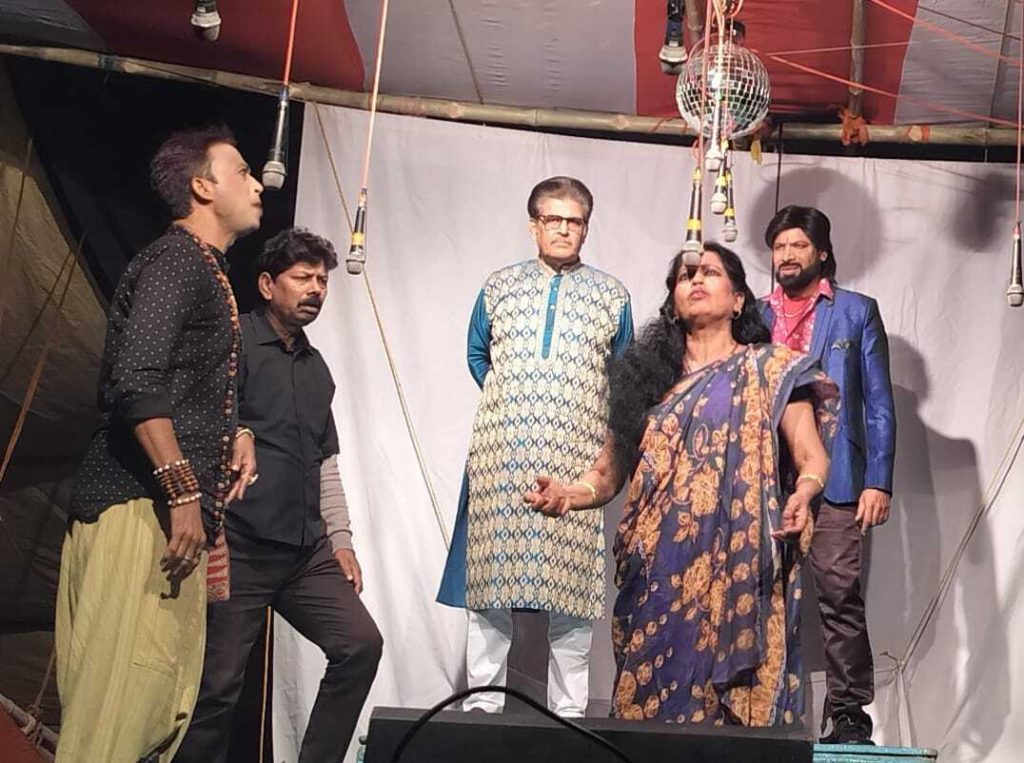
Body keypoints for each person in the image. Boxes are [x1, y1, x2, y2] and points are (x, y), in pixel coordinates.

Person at [526, 243, 839, 726]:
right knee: (651, 703)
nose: (695, 281)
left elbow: (809, 455)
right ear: (672, 301)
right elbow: (607, 473)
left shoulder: (771, 370)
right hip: (659, 568)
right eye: (685, 276)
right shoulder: (645, 382)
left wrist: (803, 492)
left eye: (710, 272)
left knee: (735, 716)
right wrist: (570, 494)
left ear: (739, 299)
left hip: (740, 566)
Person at [56, 126, 263, 762]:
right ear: (203, 187)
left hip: (165, 518)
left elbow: (180, 380)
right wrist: (182, 491)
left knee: (156, 710)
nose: (258, 184)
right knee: (116, 715)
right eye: (242, 172)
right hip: (137, 508)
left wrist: (236, 433)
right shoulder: (177, 261)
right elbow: (137, 380)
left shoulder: (205, 268)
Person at [175, 228, 382, 763]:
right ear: (268, 284)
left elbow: (324, 463)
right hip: (239, 545)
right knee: (218, 686)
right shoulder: (233, 342)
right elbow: (193, 417)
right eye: (302, 278)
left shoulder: (317, 369)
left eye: (322, 280)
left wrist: (341, 541)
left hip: (304, 552)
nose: (315, 289)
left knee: (359, 645)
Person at [437, 176, 634, 716]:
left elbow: (622, 377)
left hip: (576, 459)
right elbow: (478, 356)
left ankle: (569, 717)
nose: (564, 229)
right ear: (534, 226)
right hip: (501, 457)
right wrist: (515, 404)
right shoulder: (499, 287)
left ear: (586, 228)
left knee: (571, 594)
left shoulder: (612, 296)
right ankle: (481, 709)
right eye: (553, 219)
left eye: (575, 221)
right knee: (490, 588)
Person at [759, 205, 896, 744]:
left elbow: (878, 403)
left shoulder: (856, 311)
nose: (788, 255)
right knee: (759, 595)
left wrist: (877, 479)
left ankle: (848, 711)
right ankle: (759, 707)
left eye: (798, 245)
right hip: (765, 478)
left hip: (837, 479)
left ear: (821, 251)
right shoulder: (754, 315)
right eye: (780, 246)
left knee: (839, 596)